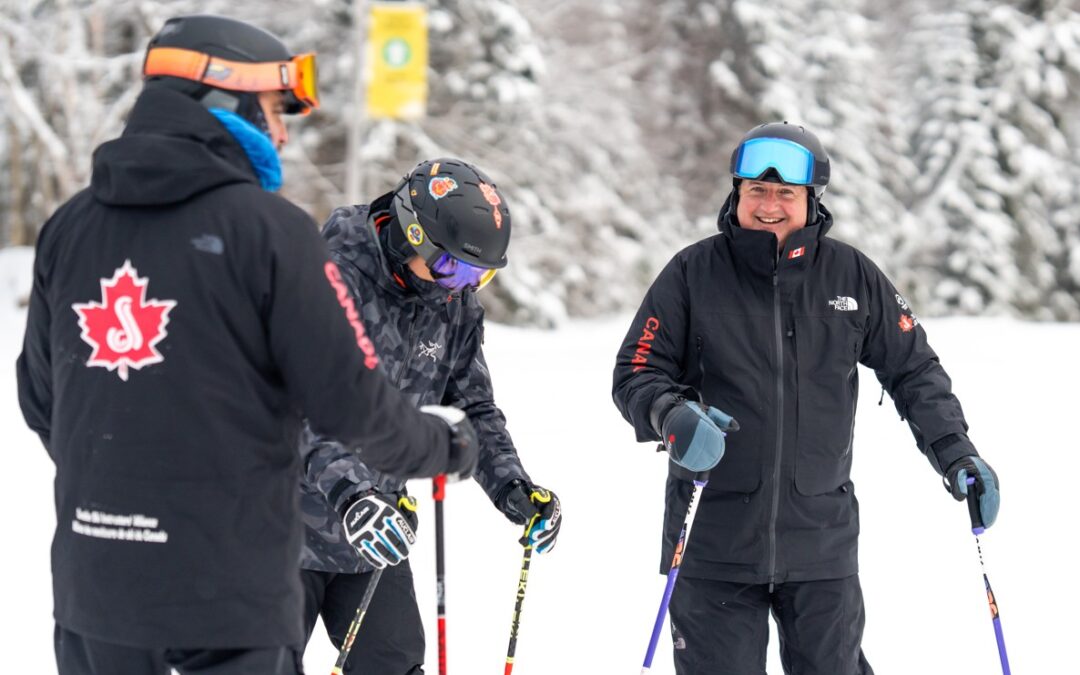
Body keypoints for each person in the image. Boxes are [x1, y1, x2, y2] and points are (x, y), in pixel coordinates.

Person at [15, 16, 478, 675]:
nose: (283, 132)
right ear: (221, 100)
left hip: (97, 593)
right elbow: (350, 403)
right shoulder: (271, 234)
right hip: (225, 596)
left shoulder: (68, 228)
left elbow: (41, 400)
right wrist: (444, 444)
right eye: (272, 112)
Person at [611, 122, 1001, 675]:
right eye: (757, 191)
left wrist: (956, 452)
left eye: (785, 194)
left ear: (810, 199)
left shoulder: (852, 276)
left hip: (821, 543)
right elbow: (636, 370)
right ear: (736, 194)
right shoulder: (692, 273)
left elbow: (914, 371)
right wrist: (671, 415)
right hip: (712, 541)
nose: (769, 205)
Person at [299, 158, 562, 674]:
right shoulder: (328, 275)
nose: (459, 286)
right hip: (278, 525)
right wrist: (354, 496)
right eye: (451, 267)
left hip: (374, 530)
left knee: (394, 663)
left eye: (477, 275)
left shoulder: (453, 302)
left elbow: (473, 405)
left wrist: (513, 488)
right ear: (407, 233)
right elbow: (303, 406)